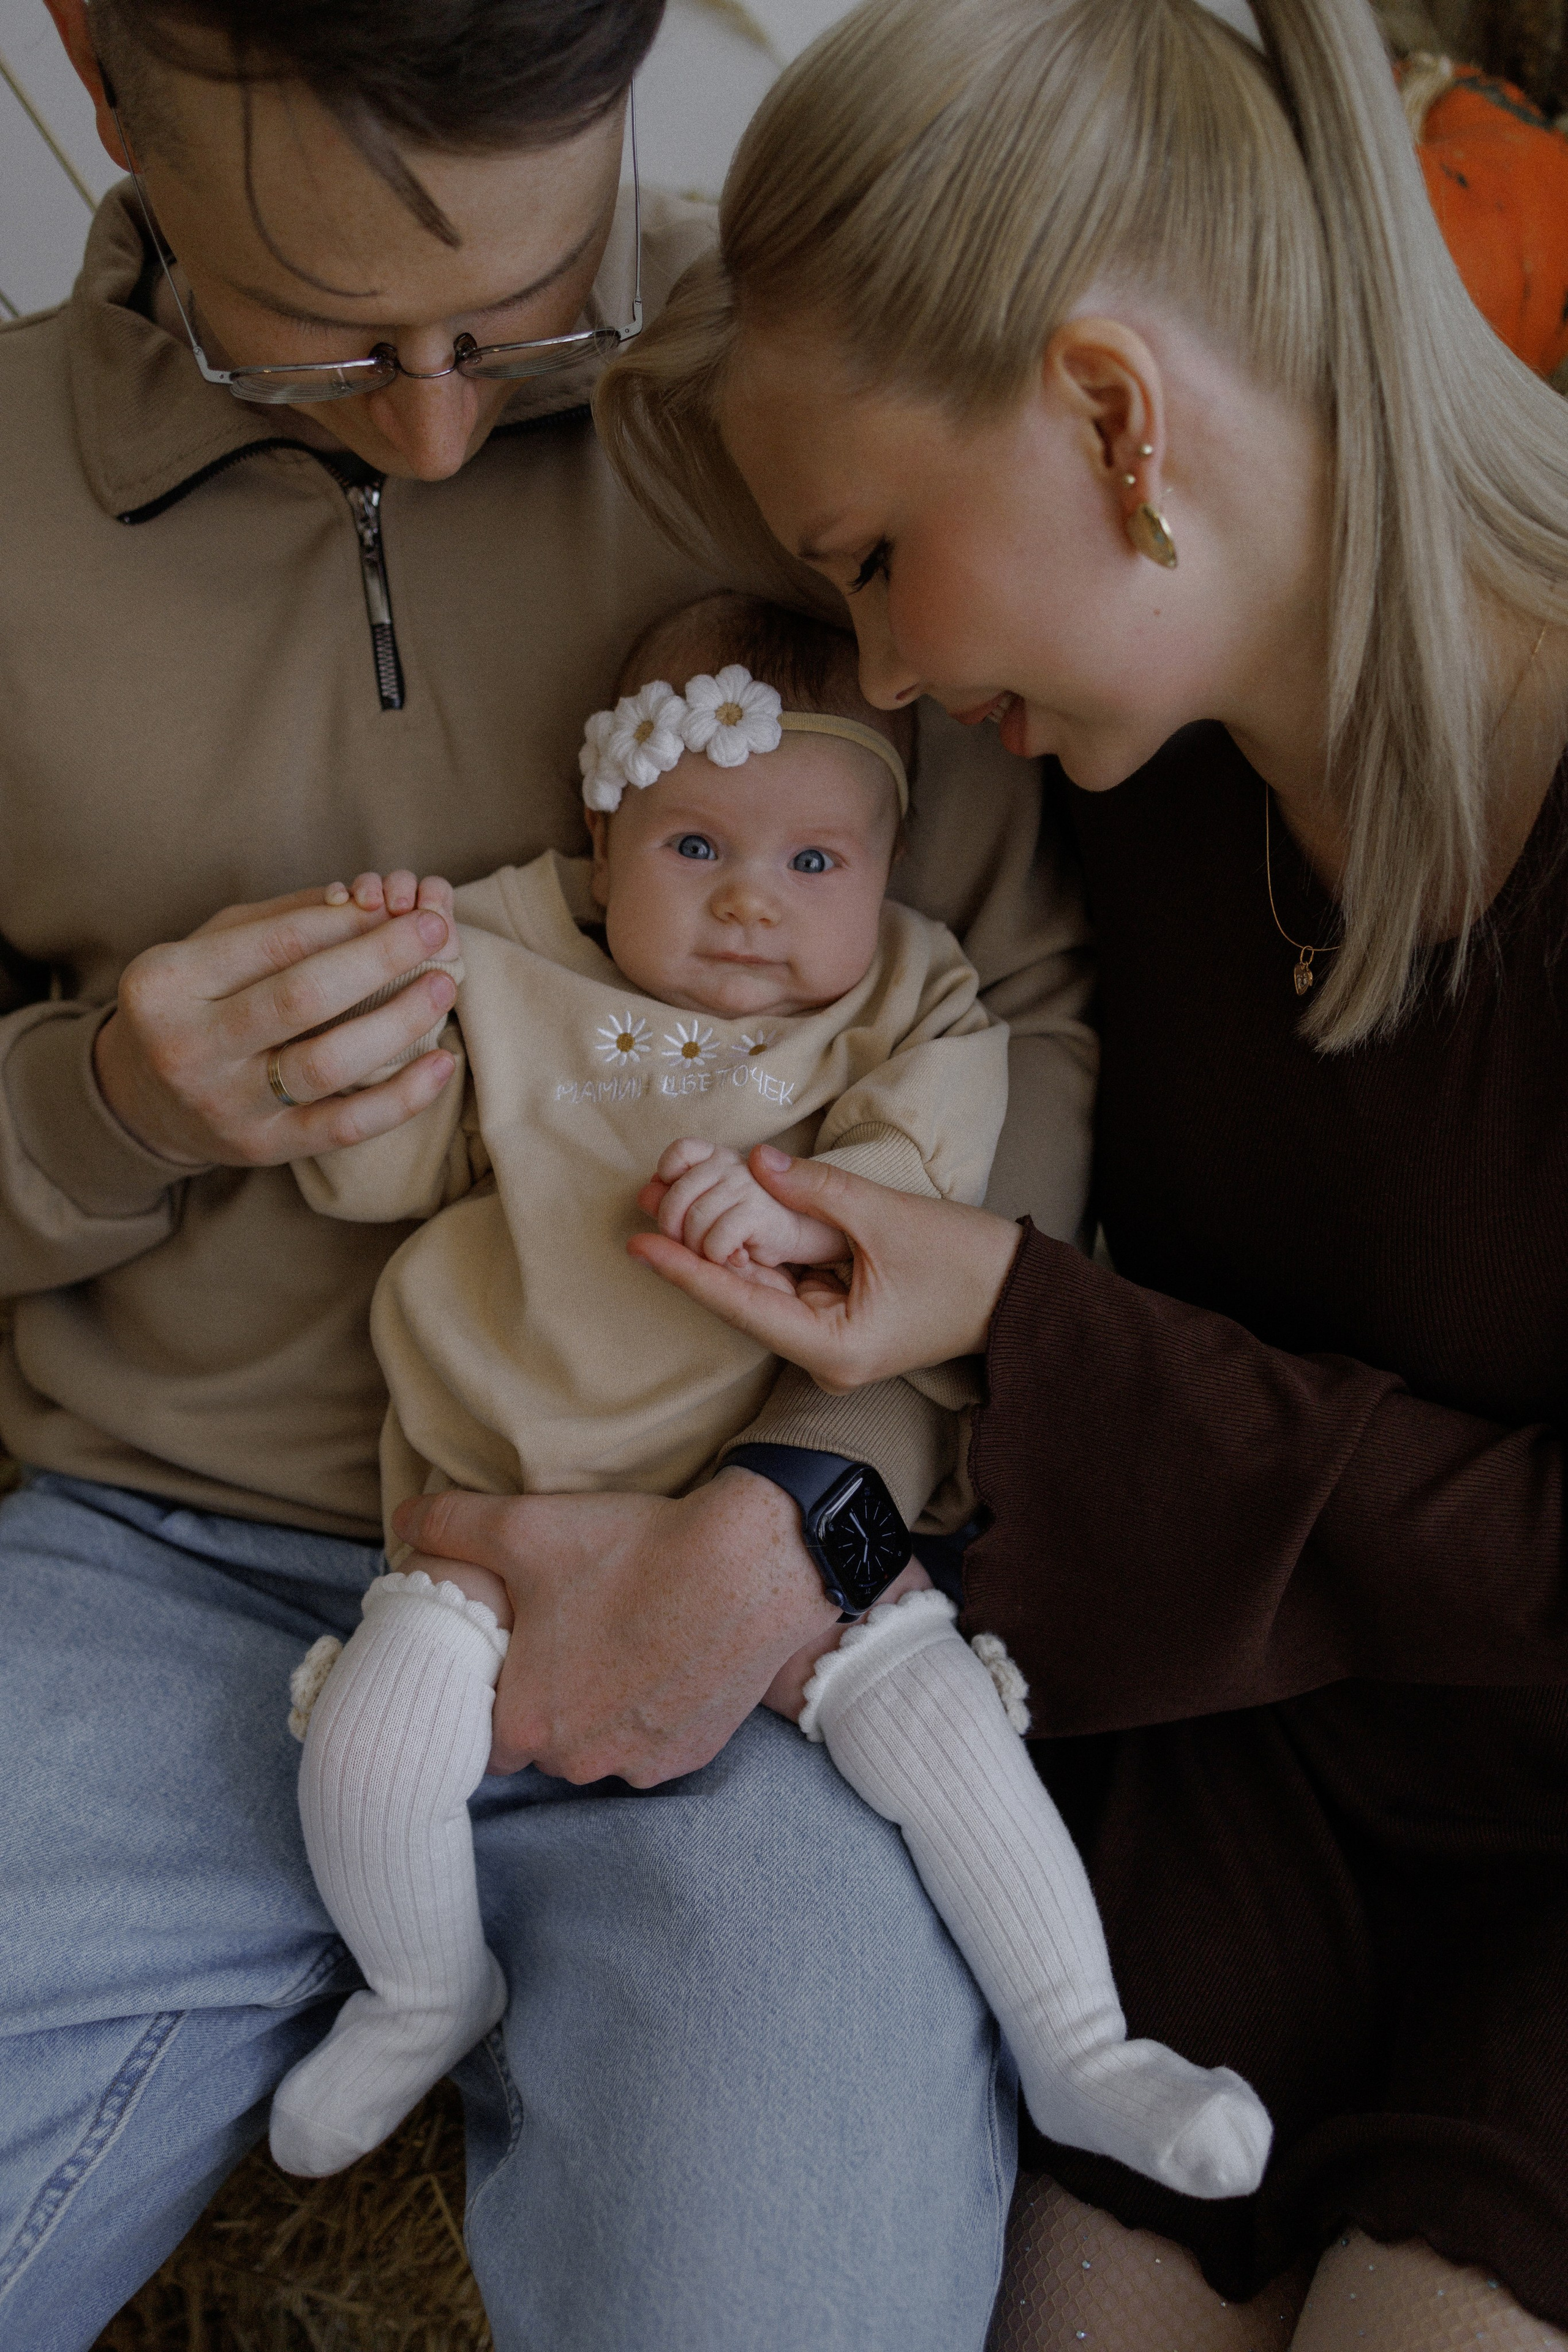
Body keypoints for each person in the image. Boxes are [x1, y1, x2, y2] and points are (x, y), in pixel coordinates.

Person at [0, 4, 1099, 2346]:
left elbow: (1021, 1022)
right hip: (151, 1566)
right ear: (99, 72)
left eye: (537, 308)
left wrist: (813, 1501)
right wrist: (100, 1106)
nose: (439, 419)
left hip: (745, 1560)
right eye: (328, 333)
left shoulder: (811, 385)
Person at [595, 0, 1568, 2343]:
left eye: (880, 561)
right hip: (1276, 1739)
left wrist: (1029, 1319)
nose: (888, 675)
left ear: (1121, 421)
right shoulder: (1135, 798)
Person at [265, 591, 1270, 2200]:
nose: (753, 906)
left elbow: (941, 1188)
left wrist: (819, 1202)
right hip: (501, 1523)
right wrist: (366, 1022)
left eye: (816, 865)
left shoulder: (908, 997)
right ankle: (423, 1984)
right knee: (371, 1744)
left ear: (882, 871)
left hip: (775, 1514)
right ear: (603, 840)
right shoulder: (503, 958)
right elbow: (370, 1178)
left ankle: (1084, 2048)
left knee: (939, 1721)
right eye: (695, 852)